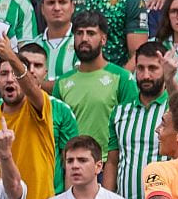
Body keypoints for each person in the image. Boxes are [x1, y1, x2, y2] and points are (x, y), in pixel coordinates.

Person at [0, 34, 54, 199]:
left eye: (15, 73)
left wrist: (11, 55)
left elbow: (31, 89)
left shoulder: (39, 105)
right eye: (4, 74)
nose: (10, 79)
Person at [53, 11, 135, 161]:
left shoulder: (122, 78)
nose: (84, 38)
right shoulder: (62, 83)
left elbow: (130, 128)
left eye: (91, 33)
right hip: (73, 165)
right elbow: (58, 132)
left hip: (108, 164)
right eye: (79, 33)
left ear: (103, 39)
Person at [105, 41, 169, 199]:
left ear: (165, 69)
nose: (146, 75)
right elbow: (112, 162)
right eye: (140, 68)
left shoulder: (176, 110)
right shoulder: (119, 112)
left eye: (153, 68)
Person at [31, 0, 75, 83]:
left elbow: (79, 82)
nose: (57, 8)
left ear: (72, 7)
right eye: (51, 3)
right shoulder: (33, 45)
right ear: (42, 9)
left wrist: (36, 87)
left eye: (62, 2)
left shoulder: (82, 42)